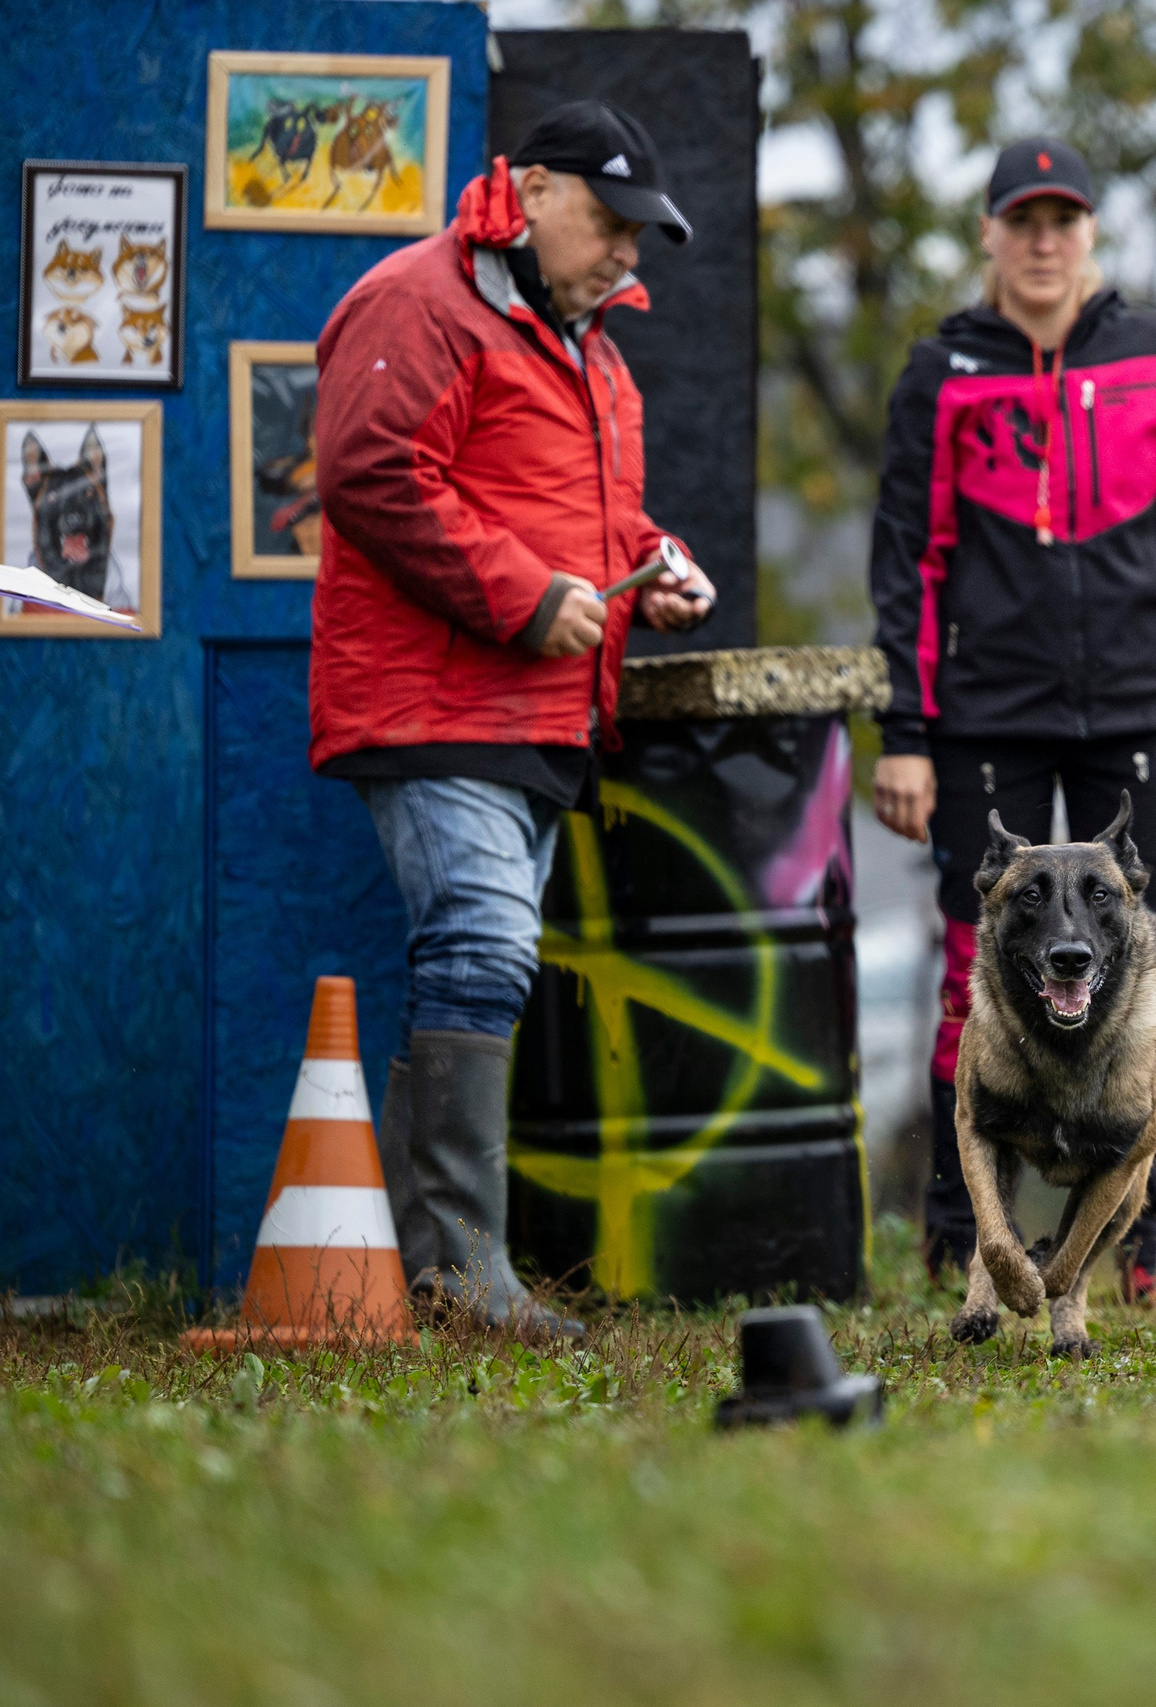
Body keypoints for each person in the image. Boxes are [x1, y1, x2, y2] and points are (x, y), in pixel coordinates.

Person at [308, 101, 715, 1337]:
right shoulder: (418, 301)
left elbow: (588, 520)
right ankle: (460, 1278)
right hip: (434, 702)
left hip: (534, 716)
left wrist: (659, 563)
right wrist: (526, 597)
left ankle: (412, 1276)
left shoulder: (590, 347)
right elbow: (370, 472)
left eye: (644, 233)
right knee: (481, 951)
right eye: (612, 221)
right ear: (531, 191)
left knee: (472, 964)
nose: (630, 253)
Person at [871, 137, 1156, 1306]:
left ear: (1090, 234)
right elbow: (907, 561)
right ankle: (958, 1233)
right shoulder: (940, 369)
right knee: (966, 979)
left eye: (1065, 221)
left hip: (1142, 702)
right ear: (989, 232)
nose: (1044, 242)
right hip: (985, 710)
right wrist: (903, 728)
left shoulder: (1150, 355)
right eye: (1021, 220)